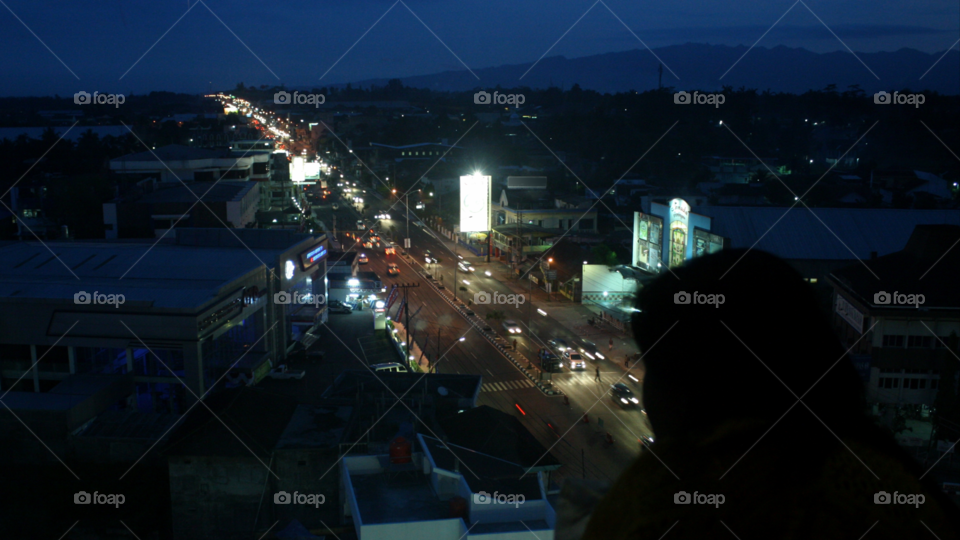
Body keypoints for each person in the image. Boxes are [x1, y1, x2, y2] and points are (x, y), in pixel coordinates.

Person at [575, 249, 960, 540]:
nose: (647, 392)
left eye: (657, 370)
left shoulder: (675, 493)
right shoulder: (887, 480)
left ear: (704, 382)